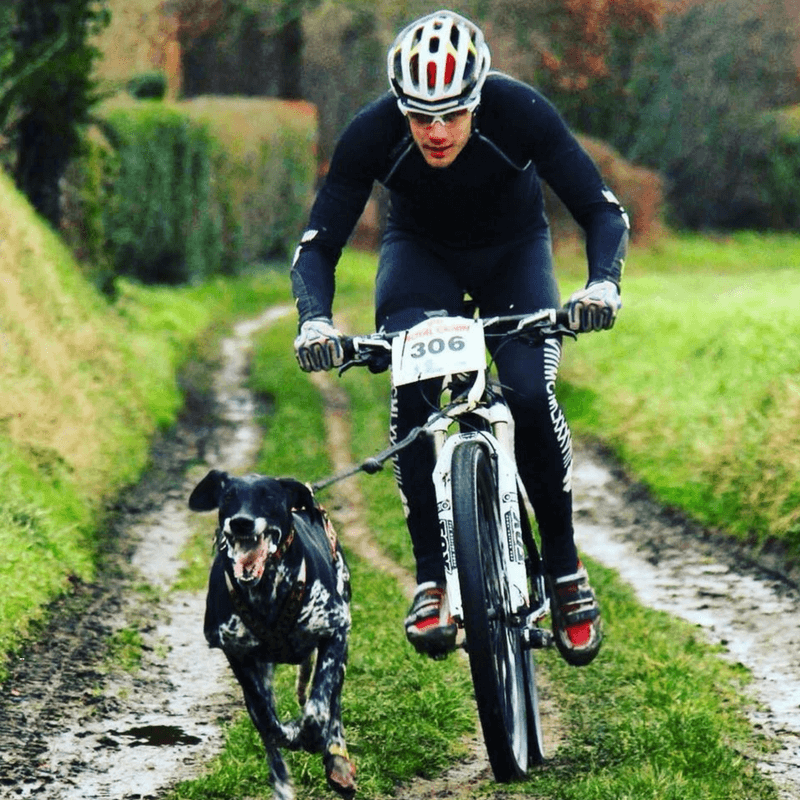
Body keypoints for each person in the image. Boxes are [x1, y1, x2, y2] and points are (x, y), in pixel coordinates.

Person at [291, 9, 628, 667]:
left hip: (515, 255)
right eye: (420, 116)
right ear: (400, 106)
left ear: (477, 99)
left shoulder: (519, 110)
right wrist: (316, 321)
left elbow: (600, 209)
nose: (436, 131)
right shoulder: (372, 132)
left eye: (451, 113)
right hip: (421, 260)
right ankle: (432, 578)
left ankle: (562, 569)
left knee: (529, 393)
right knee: (413, 397)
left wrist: (601, 286)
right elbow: (319, 242)